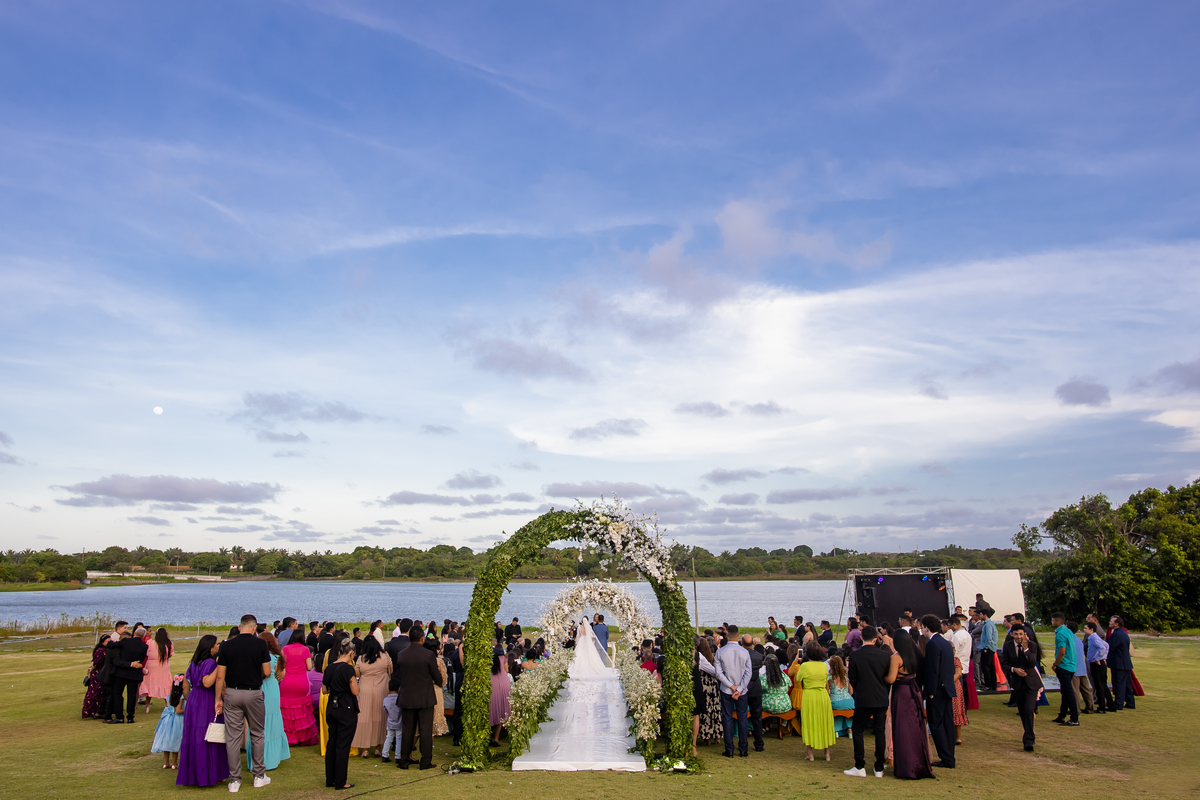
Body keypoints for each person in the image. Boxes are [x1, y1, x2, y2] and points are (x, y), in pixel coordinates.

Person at [215, 613, 273, 791]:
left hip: (232, 692)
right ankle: (258, 775)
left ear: (240, 627)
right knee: (257, 734)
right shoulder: (260, 644)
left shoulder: (227, 645)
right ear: (254, 628)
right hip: (253, 692)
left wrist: (218, 698)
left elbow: (220, 675)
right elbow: (267, 671)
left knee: (232, 737)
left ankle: (234, 780)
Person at [177, 635, 229, 787]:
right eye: (216, 644)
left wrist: (190, 700)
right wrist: (219, 666)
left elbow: (186, 685)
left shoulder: (193, 663)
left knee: (195, 736)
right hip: (206, 699)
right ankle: (210, 774)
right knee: (210, 736)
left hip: (194, 699)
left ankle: (193, 773)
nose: (218, 646)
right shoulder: (210, 663)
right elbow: (207, 682)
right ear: (211, 647)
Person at [887, 629, 934, 779]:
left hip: (901, 692)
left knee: (902, 728)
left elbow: (891, 679)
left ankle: (907, 766)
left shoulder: (896, 658)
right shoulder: (914, 655)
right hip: (914, 692)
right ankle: (919, 762)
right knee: (915, 727)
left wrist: (882, 677)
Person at [844, 625, 890, 778]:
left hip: (864, 697)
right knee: (879, 731)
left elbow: (853, 678)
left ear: (862, 638)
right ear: (876, 639)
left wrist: (860, 689)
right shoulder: (884, 656)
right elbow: (887, 678)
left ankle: (859, 765)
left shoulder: (856, 656)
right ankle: (878, 767)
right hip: (881, 697)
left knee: (857, 730)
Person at [395, 624, 443, 769]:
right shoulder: (428, 655)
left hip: (407, 696)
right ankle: (425, 761)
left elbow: (399, 676)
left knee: (407, 729)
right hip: (424, 697)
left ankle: (404, 759)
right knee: (425, 730)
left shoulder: (401, 655)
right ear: (422, 638)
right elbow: (438, 679)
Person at [323, 638, 360, 790]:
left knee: (332, 743)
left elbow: (325, 690)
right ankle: (340, 781)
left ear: (339, 652)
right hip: (346, 708)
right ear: (351, 654)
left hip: (332, 706)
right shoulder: (348, 669)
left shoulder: (329, 668)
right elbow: (355, 691)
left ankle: (330, 778)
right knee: (343, 745)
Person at [921, 614, 957, 769]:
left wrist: (930, 690)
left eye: (922, 627)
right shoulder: (946, 643)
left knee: (936, 724)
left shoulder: (932, 644)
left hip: (937, 689)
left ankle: (946, 757)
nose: (921, 630)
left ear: (926, 627)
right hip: (947, 688)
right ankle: (949, 756)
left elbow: (933, 669)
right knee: (947, 722)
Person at [1001, 624, 1042, 751]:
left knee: (1029, 709)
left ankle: (1028, 740)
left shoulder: (1032, 645)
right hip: (1018, 683)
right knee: (1023, 711)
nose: (1019, 637)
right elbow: (1004, 664)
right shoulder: (1008, 646)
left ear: (1024, 634)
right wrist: (1014, 670)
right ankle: (1029, 734)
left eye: (1021, 634)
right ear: (1012, 634)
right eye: (1016, 634)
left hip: (1031, 682)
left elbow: (1031, 663)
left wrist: (1025, 649)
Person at [253, 632, 290, 771]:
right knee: (272, 720)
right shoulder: (276, 657)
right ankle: (272, 758)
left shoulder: (256, 656)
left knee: (259, 720)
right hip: (272, 688)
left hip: (259, 687)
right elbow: (281, 675)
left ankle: (259, 757)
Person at [714, 623, 752, 758]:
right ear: (738, 636)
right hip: (741, 690)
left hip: (727, 689)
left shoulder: (720, 652)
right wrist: (740, 688)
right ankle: (743, 749)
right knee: (742, 718)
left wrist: (731, 686)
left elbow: (718, 674)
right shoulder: (745, 652)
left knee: (727, 718)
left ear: (727, 635)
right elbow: (749, 673)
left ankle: (729, 749)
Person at [352, 634, 392, 757]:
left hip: (365, 689)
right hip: (382, 689)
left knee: (365, 717)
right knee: (380, 717)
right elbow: (390, 670)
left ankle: (364, 748)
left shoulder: (361, 659)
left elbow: (357, 673)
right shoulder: (385, 656)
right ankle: (378, 747)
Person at [278, 631, 318, 745]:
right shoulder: (305, 649)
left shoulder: (285, 649)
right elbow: (309, 667)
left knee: (287, 710)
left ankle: (287, 737)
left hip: (287, 681)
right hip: (301, 682)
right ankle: (302, 737)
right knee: (301, 710)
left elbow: (281, 665)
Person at [798, 641, 834, 761]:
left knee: (809, 723)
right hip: (822, 694)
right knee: (825, 722)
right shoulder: (824, 666)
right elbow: (825, 680)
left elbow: (798, 678)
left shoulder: (805, 666)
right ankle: (827, 753)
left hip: (809, 694)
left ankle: (810, 753)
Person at [106, 628, 148, 724]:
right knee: (132, 695)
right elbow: (142, 658)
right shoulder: (144, 646)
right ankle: (130, 717)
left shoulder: (125, 642)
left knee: (117, 694)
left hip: (121, 672)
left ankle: (119, 716)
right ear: (143, 636)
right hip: (134, 672)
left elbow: (110, 645)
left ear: (134, 633)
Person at [691, 637, 723, 754]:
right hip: (702, 686)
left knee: (697, 714)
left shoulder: (698, 656)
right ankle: (694, 743)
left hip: (700, 686)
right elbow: (714, 672)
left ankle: (696, 741)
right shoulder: (700, 656)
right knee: (699, 714)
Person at [1050, 612, 1080, 727]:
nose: (1052, 623)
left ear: (1058, 622)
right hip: (1071, 665)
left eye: (1053, 621)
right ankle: (1062, 715)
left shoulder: (1061, 633)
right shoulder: (1069, 631)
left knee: (1068, 692)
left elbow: (1062, 651)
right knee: (1065, 691)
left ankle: (1074, 718)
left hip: (1064, 666)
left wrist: (1055, 664)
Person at [152, 675, 186, 770]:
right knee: (175, 741)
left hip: (167, 721)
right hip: (177, 720)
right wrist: (187, 709)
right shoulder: (181, 697)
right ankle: (174, 763)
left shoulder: (169, 696)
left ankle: (166, 763)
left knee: (166, 741)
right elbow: (178, 710)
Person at [946, 615, 971, 741]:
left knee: (955, 709)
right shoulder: (967, 634)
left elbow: (957, 672)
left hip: (956, 676)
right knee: (958, 709)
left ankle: (956, 735)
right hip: (964, 665)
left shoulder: (956, 636)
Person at [741, 634, 765, 752]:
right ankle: (759, 743)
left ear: (742, 643)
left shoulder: (741, 656)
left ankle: (743, 741)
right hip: (755, 688)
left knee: (743, 716)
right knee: (757, 717)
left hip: (744, 688)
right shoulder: (759, 656)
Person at [141, 628, 174, 715]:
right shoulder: (169, 644)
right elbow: (170, 654)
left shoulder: (150, 643)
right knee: (164, 684)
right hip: (163, 666)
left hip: (152, 666)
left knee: (150, 684)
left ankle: (147, 705)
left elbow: (146, 653)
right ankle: (167, 704)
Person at [1066, 622, 1095, 714]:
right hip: (1082, 667)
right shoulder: (1078, 640)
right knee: (1085, 689)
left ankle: (1076, 709)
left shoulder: (1070, 640)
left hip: (1074, 667)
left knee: (1075, 690)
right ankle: (1090, 707)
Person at [1107, 615, 1135, 711]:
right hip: (1125, 662)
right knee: (1127, 684)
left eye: (1112, 621)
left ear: (1116, 624)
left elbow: (1111, 647)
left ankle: (1118, 703)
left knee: (1119, 683)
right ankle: (1130, 702)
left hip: (1119, 663)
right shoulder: (1123, 633)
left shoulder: (1116, 634)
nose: (1110, 622)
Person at [1084, 621, 1113, 713]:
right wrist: (1104, 657)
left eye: (1085, 628)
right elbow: (1106, 645)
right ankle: (1111, 705)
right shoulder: (1095, 637)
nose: (1084, 630)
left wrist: (1098, 658)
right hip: (1100, 662)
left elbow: (1102, 648)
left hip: (1096, 663)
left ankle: (1101, 707)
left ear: (1091, 629)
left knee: (1099, 685)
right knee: (1103, 684)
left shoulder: (1093, 638)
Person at [83, 633, 112, 719]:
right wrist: (92, 668)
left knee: (101, 692)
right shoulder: (101, 650)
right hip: (99, 673)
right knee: (96, 692)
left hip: (101, 672)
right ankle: (94, 711)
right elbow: (96, 662)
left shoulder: (106, 650)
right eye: (108, 641)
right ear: (103, 642)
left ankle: (100, 710)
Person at [828, 654, 854, 738]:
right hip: (849, 701)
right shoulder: (846, 677)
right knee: (846, 708)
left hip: (835, 701)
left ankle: (836, 730)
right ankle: (849, 729)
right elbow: (851, 691)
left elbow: (827, 692)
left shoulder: (829, 678)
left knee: (835, 707)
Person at [488, 653, 511, 748]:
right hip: (503, 683)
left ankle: (489, 737)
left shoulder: (487, 657)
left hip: (491, 682)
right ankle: (496, 738)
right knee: (501, 710)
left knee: (490, 710)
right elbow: (506, 670)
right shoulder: (503, 657)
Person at [430, 639, 450, 737]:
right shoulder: (438, 662)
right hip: (436, 691)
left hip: (425, 689)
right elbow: (443, 680)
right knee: (434, 720)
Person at [382, 673, 403, 762]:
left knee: (389, 737)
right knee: (399, 739)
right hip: (399, 722)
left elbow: (386, 711)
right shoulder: (400, 699)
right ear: (399, 689)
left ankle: (385, 755)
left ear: (388, 689)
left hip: (390, 721)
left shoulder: (386, 700)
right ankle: (398, 756)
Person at [978, 607, 998, 690]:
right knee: (991, 666)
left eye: (981, 614)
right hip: (990, 647)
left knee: (985, 666)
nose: (979, 616)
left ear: (985, 615)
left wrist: (986, 647)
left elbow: (989, 637)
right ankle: (993, 684)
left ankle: (988, 685)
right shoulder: (989, 624)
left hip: (988, 648)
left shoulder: (988, 625)